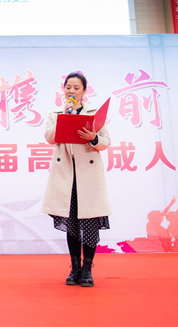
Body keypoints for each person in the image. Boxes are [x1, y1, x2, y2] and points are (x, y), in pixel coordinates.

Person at [41, 72, 112, 287]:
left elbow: (106, 141)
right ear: (64, 90)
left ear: (84, 91)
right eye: (68, 87)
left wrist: (94, 138)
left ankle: (87, 269)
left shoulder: (94, 113)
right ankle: (74, 268)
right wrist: (65, 116)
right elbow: (49, 138)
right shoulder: (56, 113)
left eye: (76, 88)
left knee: (89, 223)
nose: (72, 91)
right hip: (66, 176)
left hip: (88, 176)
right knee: (71, 224)